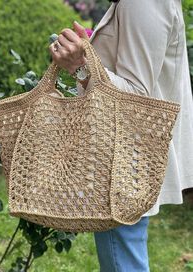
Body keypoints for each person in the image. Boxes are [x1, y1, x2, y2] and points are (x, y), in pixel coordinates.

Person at [49, 0, 193, 271]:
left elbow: (135, 96)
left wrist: (80, 65)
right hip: (126, 152)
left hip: (125, 159)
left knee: (123, 260)